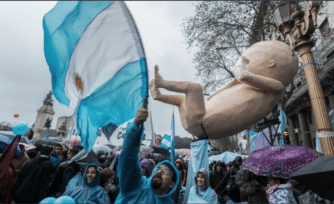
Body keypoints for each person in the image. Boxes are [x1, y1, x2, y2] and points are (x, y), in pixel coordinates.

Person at [115, 99, 180, 204]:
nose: (159, 171)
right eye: (158, 168)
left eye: (165, 172)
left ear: (172, 184)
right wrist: (136, 126)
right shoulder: (135, 185)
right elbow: (128, 157)